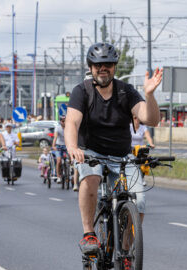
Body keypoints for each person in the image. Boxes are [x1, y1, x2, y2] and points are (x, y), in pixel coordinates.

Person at [65, 42, 163, 255]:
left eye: (108, 65)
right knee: (90, 177)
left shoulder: (125, 91)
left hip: (122, 155)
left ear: (114, 67)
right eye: (98, 65)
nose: (103, 69)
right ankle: (89, 233)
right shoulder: (82, 91)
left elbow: (151, 119)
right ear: (91, 67)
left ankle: (126, 252)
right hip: (91, 152)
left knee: (139, 201)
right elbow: (72, 122)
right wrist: (73, 147)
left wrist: (150, 95)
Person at [51, 116, 69, 184]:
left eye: (65, 121)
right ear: (60, 121)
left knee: (71, 159)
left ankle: (70, 172)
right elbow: (55, 137)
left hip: (67, 146)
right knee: (58, 161)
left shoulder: (68, 127)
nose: (64, 122)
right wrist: (53, 146)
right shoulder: (58, 128)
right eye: (63, 121)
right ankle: (58, 176)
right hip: (59, 146)